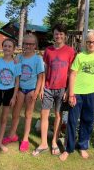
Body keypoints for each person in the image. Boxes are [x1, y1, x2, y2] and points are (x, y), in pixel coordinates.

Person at [59, 30, 94, 161]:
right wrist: (71, 94)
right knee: (72, 121)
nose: (91, 44)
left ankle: (83, 146)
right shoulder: (80, 56)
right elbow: (72, 75)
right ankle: (68, 149)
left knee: (88, 120)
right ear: (85, 42)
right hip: (77, 94)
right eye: (89, 41)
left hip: (91, 93)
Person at [32, 24, 75, 156]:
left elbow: (72, 72)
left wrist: (68, 90)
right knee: (44, 114)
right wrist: (43, 88)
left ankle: (54, 142)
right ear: (53, 35)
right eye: (56, 33)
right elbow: (44, 70)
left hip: (62, 89)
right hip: (48, 88)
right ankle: (44, 143)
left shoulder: (70, 51)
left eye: (61, 34)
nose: (58, 36)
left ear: (65, 36)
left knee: (58, 115)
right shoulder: (48, 51)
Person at [2, 34, 45, 152]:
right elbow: (15, 74)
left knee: (28, 115)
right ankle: (12, 135)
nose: (28, 46)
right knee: (15, 114)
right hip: (20, 89)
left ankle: (25, 139)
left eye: (31, 44)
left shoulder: (38, 59)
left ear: (35, 45)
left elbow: (41, 77)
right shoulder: (19, 57)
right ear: (23, 44)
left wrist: (36, 92)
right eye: (26, 43)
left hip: (31, 91)